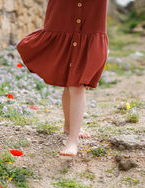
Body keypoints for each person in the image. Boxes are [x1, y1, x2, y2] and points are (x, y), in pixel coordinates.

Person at [17, 0, 109, 156]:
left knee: (76, 85)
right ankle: (69, 126)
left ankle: (72, 141)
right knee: (70, 83)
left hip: (89, 26)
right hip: (63, 22)